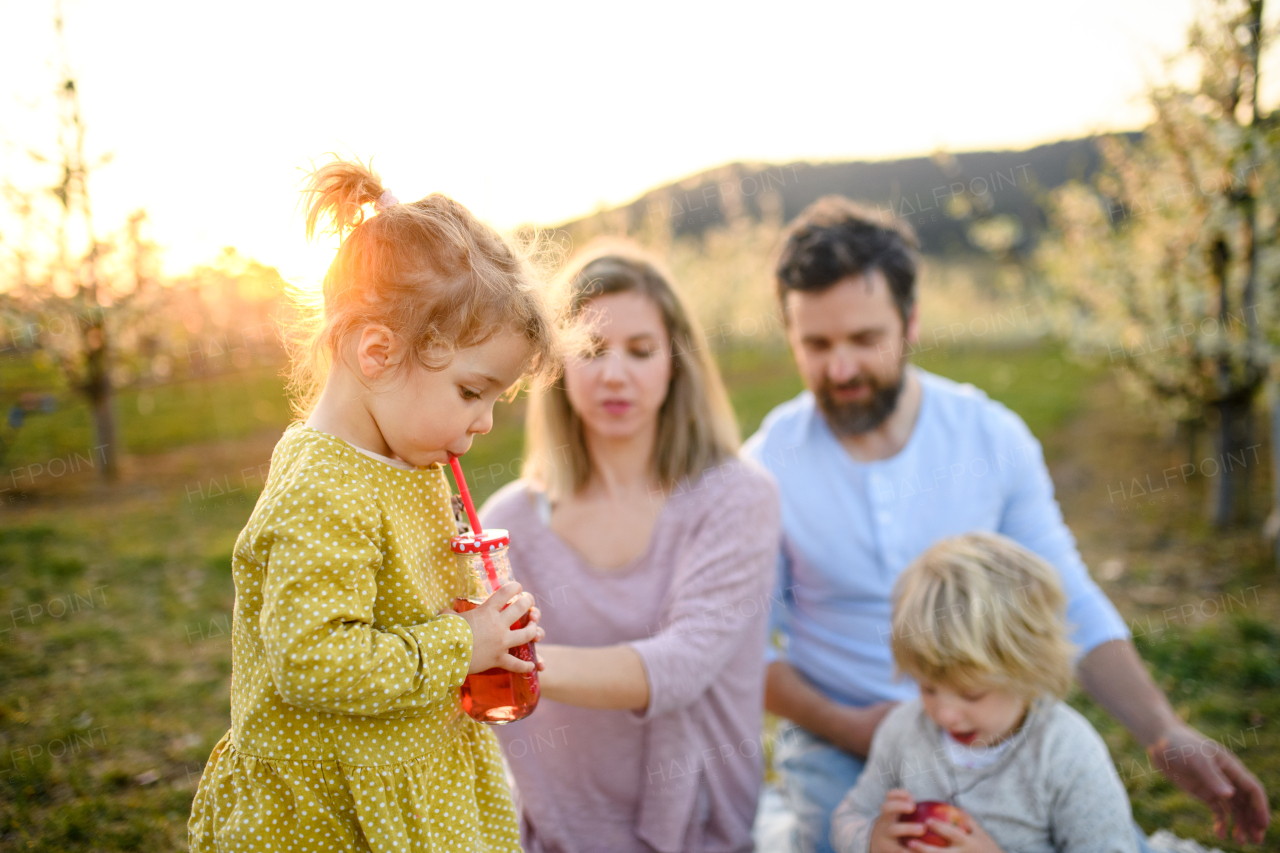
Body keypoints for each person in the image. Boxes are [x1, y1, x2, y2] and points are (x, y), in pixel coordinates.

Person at [743, 196, 1269, 853]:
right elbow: (741, 646)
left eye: (864, 339)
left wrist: (1163, 730)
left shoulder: (989, 437)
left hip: (1000, 726)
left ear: (910, 323)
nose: (840, 368)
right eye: (816, 344)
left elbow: (1069, 596)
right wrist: (860, 727)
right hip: (840, 740)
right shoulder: (764, 468)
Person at [187, 159, 560, 853]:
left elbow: (400, 600)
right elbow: (312, 658)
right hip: (334, 813)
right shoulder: (321, 489)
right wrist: (462, 643)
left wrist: (487, 622)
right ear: (380, 352)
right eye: (471, 392)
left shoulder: (404, 454)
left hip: (414, 781)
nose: (482, 423)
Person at [479, 240, 781, 853]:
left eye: (640, 351)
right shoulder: (509, 522)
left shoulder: (737, 497)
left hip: (702, 832)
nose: (614, 372)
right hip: (560, 834)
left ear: (676, 363)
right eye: (590, 350)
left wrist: (508, 660)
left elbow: (683, 664)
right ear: (557, 368)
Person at [830, 532, 1138, 853]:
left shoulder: (1065, 751)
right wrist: (870, 840)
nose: (945, 714)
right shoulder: (903, 731)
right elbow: (851, 814)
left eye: (972, 694)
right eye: (928, 688)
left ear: (1030, 671)